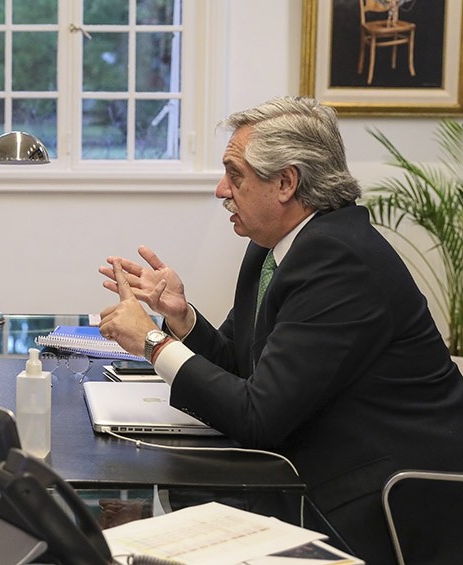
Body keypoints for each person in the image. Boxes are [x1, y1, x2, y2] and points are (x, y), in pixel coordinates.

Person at [97, 96, 463, 564]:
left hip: (379, 498)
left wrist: (153, 342)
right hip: (303, 467)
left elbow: (258, 416)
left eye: (235, 175)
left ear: (286, 182)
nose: (221, 190)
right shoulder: (274, 247)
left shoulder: (339, 260)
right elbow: (243, 367)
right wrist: (182, 318)